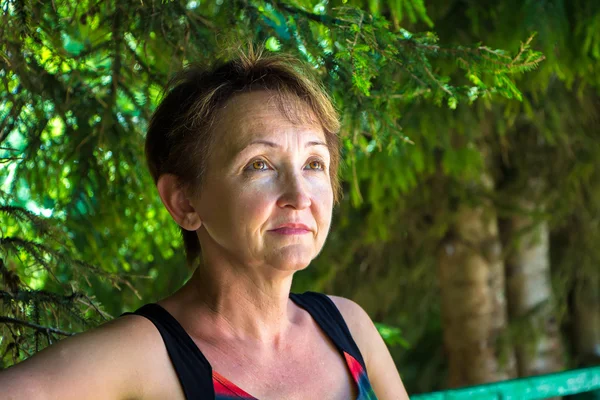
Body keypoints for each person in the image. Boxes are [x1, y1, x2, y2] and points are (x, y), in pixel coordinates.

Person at [1, 47, 409, 400]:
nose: (300, 196)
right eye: (259, 165)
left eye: (314, 164)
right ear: (184, 202)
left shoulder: (348, 327)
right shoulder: (146, 353)